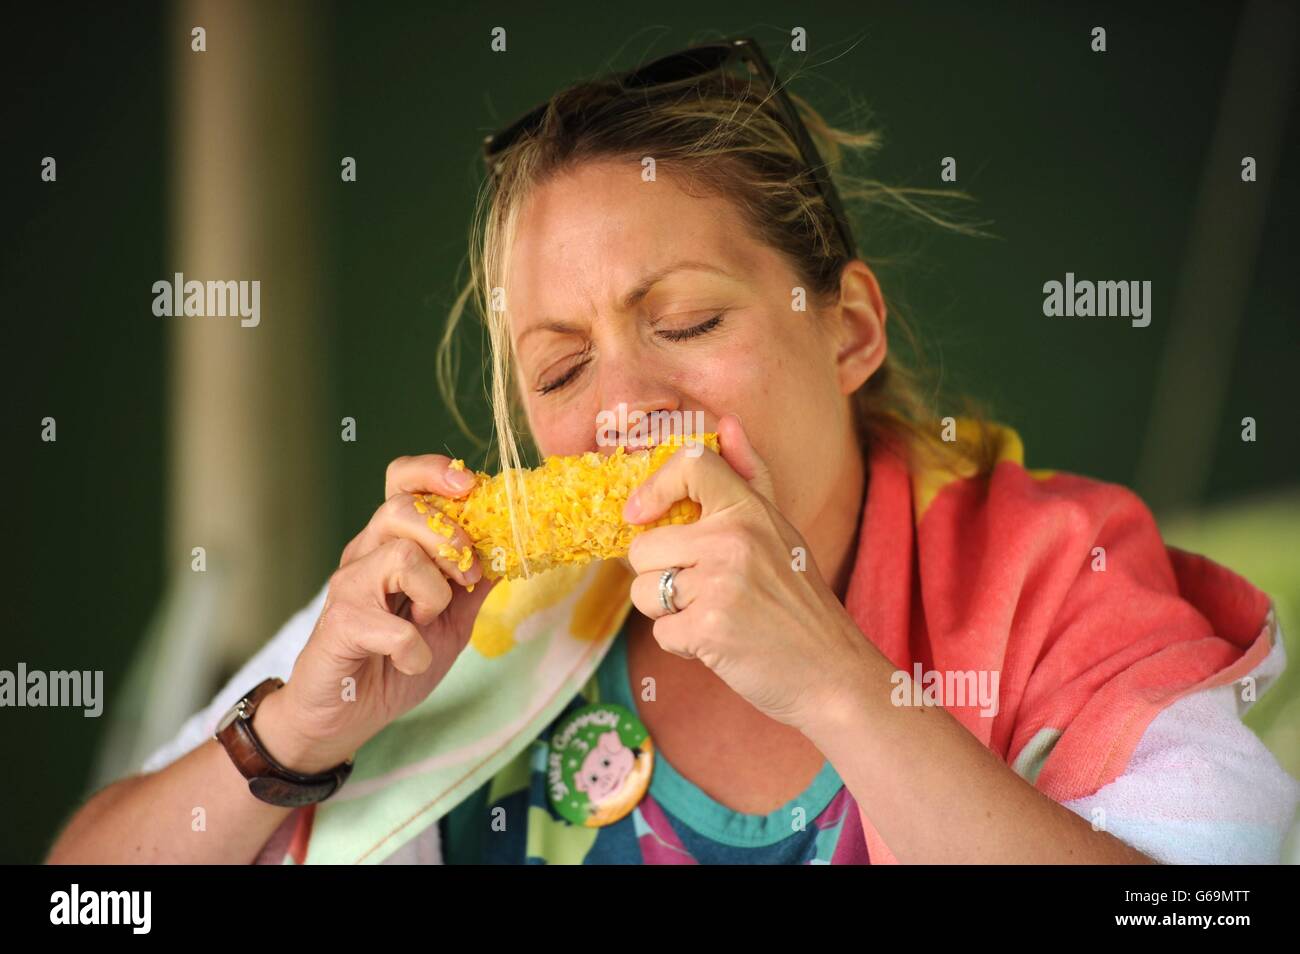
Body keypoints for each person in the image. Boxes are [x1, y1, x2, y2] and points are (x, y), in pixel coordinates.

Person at [47, 37, 1297, 865]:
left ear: (849, 330)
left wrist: (836, 684)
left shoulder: (1058, 572)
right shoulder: (481, 615)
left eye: (687, 322)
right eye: (560, 367)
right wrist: (292, 737)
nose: (627, 405)